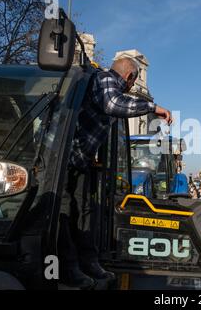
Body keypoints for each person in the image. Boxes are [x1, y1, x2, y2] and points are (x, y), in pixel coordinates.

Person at [59, 57, 173, 288]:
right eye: (133, 82)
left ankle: (88, 262)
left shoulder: (106, 85)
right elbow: (112, 104)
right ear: (130, 77)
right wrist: (153, 107)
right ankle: (68, 267)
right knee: (64, 211)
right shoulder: (103, 79)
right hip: (62, 161)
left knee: (84, 211)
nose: (131, 87)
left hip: (82, 162)